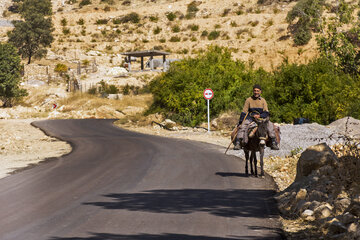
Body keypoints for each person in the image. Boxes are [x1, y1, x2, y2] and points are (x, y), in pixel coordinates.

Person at [234, 84, 279, 150]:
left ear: (260, 91)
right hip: (251, 118)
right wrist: (241, 122)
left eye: (257, 91)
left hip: (261, 118)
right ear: (253, 91)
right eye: (255, 91)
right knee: (243, 126)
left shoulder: (263, 100)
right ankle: (238, 142)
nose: (256, 92)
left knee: (270, 125)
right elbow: (244, 112)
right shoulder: (248, 100)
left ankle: (273, 142)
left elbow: (266, 112)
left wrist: (259, 116)